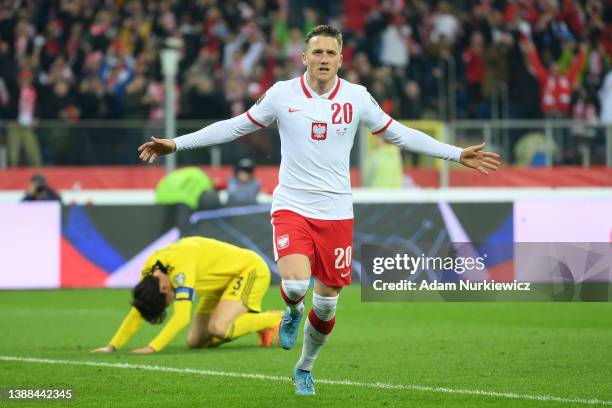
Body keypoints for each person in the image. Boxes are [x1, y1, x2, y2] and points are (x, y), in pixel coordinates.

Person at [138, 25, 500, 394]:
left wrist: (456, 154)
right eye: (318, 53)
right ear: (305, 58)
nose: (324, 59)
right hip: (292, 205)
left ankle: (304, 368)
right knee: (295, 285)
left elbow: (401, 134)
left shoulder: (357, 98)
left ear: (341, 60)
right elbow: (234, 128)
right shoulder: (282, 94)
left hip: (337, 212)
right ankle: (292, 312)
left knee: (326, 307)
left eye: (331, 53)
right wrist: (176, 144)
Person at [92, 237, 282, 354]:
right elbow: (141, 307)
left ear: (165, 289)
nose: (170, 302)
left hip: (249, 270)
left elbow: (182, 317)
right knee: (195, 342)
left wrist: (153, 347)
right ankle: (260, 325)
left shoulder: (180, 270)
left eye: (167, 302)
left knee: (217, 328)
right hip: (218, 286)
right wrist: (112, 346)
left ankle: (276, 319)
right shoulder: (150, 272)